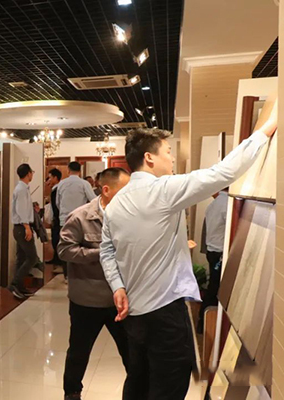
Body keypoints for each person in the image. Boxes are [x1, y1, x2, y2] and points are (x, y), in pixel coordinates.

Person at [100, 103, 277, 400]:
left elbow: (106, 250)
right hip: (164, 312)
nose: (171, 158)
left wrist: (117, 286)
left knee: (138, 380)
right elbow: (224, 172)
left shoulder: (116, 203)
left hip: (134, 313)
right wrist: (266, 129)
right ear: (149, 158)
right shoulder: (163, 190)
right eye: (167, 152)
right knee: (169, 386)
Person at [58, 168, 131, 400]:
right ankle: (72, 393)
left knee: (132, 353)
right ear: (106, 190)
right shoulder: (80, 217)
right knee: (79, 353)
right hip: (86, 299)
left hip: (120, 300)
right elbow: (64, 250)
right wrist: (102, 253)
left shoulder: (131, 216)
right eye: (125, 189)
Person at [197, 189, 229, 332]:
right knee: (215, 288)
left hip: (212, 251)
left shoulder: (214, 204)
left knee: (213, 286)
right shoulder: (227, 204)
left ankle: (203, 322)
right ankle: (205, 324)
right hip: (220, 254)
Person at [8, 163, 36, 300]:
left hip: (20, 227)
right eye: (32, 172)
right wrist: (27, 227)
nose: (32, 175)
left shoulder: (23, 188)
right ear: (28, 173)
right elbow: (21, 209)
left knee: (22, 258)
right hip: (22, 227)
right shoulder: (21, 189)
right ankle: (15, 284)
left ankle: (19, 286)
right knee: (32, 257)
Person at [46, 168, 62, 273]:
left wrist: (54, 218)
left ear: (56, 178)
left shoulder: (57, 190)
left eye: (50, 177)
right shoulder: (55, 189)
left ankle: (58, 260)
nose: (49, 180)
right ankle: (55, 258)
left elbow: (56, 206)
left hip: (58, 218)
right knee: (54, 238)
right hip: (56, 218)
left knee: (57, 239)